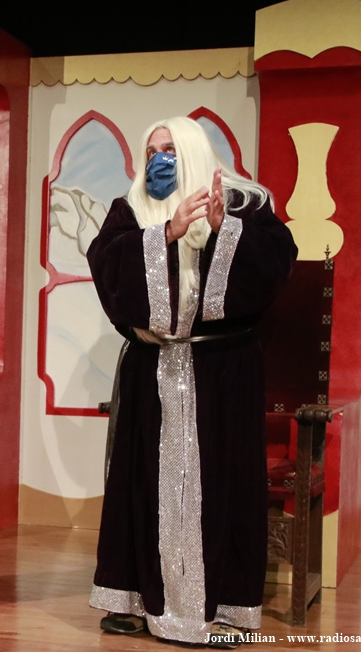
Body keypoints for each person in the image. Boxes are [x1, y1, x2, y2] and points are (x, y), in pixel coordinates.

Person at [86, 117, 297, 648]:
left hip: (223, 371)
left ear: (195, 151)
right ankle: (135, 598)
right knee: (142, 484)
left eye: (171, 149)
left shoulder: (246, 203)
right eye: (151, 150)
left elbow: (275, 265)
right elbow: (106, 265)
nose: (160, 159)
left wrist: (224, 230)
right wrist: (165, 234)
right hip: (153, 367)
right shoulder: (131, 209)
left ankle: (225, 605)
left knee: (224, 484)